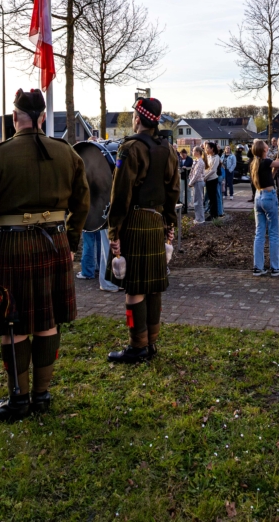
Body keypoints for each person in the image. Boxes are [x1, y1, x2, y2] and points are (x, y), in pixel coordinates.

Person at [0, 88, 89, 421]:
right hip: (56, 243)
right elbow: (83, 203)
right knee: (47, 320)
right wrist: (71, 241)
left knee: (12, 322)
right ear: (43, 118)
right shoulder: (67, 154)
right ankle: (41, 396)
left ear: (16, 116)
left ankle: (17, 400)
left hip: (11, 246)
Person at [105, 97, 180, 364]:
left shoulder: (131, 148)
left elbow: (120, 193)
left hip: (134, 222)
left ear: (138, 118)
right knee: (153, 286)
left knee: (135, 286)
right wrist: (170, 223)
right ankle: (151, 342)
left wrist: (114, 232)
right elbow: (173, 190)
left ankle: (138, 346)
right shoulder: (168, 149)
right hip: (157, 220)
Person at [249, 138, 279, 277]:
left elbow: (268, 178)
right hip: (269, 197)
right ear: (264, 149)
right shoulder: (266, 161)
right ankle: (275, 267)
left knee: (259, 233)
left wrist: (274, 168)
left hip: (258, 197)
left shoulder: (255, 163)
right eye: (266, 145)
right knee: (273, 233)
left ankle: (258, 267)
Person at [203, 141, 221, 221]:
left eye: (207, 148)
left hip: (213, 179)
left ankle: (214, 214)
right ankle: (212, 213)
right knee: (210, 197)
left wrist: (205, 177)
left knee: (213, 197)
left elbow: (213, 170)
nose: (206, 149)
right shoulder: (208, 156)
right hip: (207, 179)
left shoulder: (216, 157)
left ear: (212, 149)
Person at [188, 146, 206, 223]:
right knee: (197, 200)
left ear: (198, 152)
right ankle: (198, 218)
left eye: (194, 151)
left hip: (198, 182)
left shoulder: (200, 162)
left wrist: (190, 182)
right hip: (197, 182)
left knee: (198, 201)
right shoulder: (197, 161)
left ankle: (200, 219)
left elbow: (197, 174)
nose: (192, 152)